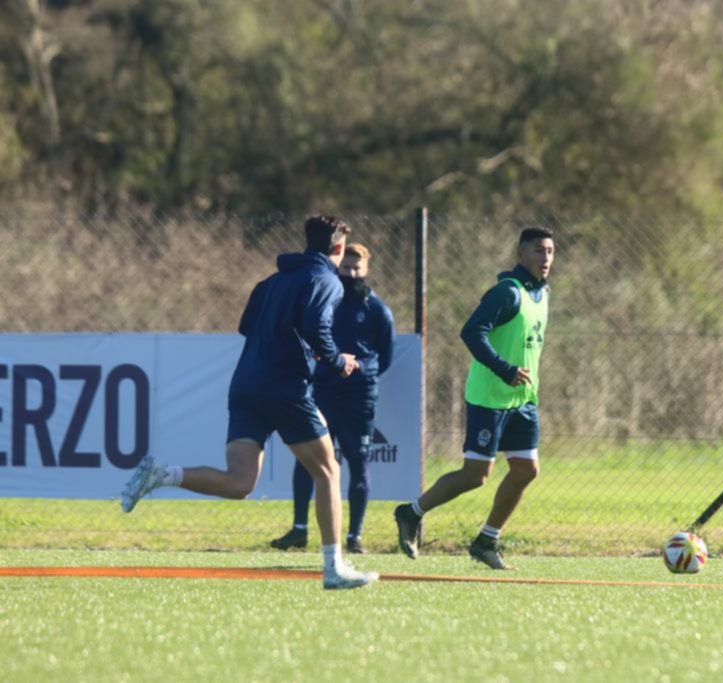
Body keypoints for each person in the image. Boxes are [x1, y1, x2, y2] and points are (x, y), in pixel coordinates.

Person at [119, 215, 378, 590]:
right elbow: (316, 327)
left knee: (239, 483)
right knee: (328, 472)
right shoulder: (326, 281)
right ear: (338, 248)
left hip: (245, 386)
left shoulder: (271, 282)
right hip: (285, 389)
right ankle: (333, 568)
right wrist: (339, 361)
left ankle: (161, 474)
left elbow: (248, 325)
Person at [394, 226, 555, 570]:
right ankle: (411, 513)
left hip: (523, 399)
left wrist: (519, 378)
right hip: (490, 398)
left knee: (527, 470)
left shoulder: (543, 294)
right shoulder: (506, 293)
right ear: (520, 255)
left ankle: (487, 540)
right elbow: (470, 332)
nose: (546, 258)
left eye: (550, 251)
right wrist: (504, 368)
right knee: (475, 476)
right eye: (539, 251)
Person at [270, 242, 395, 555]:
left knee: (358, 461)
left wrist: (360, 374)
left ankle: (355, 537)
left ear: (366, 271)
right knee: (308, 458)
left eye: (357, 269)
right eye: (346, 268)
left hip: (359, 399)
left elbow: (386, 355)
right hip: (323, 391)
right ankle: (299, 530)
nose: (351, 274)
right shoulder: (326, 301)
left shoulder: (376, 309)